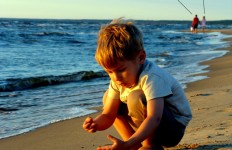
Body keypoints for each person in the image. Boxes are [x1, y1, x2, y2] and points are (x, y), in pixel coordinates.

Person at [82, 18, 192, 150]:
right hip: (147, 125)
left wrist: (129, 144)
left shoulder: (151, 77)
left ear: (140, 58)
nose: (115, 77)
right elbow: (109, 115)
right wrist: (96, 124)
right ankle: (133, 145)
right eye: (109, 72)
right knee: (108, 98)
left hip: (171, 129)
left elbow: (154, 118)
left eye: (121, 70)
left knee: (137, 97)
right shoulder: (117, 80)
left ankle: (149, 145)